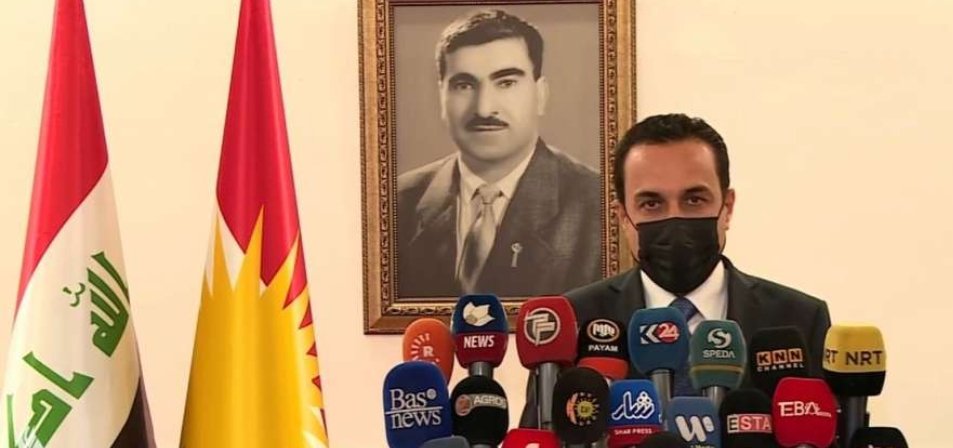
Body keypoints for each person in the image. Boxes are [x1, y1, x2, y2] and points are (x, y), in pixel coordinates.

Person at [519, 113, 832, 426]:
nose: (675, 219)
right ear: (622, 217)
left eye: (694, 200)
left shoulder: (800, 321)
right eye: (651, 204)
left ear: (727, 208)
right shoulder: (571, 323)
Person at [397, 9, 602, 298]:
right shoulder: (397, 203)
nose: (483, 108)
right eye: (464, 85)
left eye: (506, 82)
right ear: (442, 96)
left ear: (540, 94)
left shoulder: (597, 207)